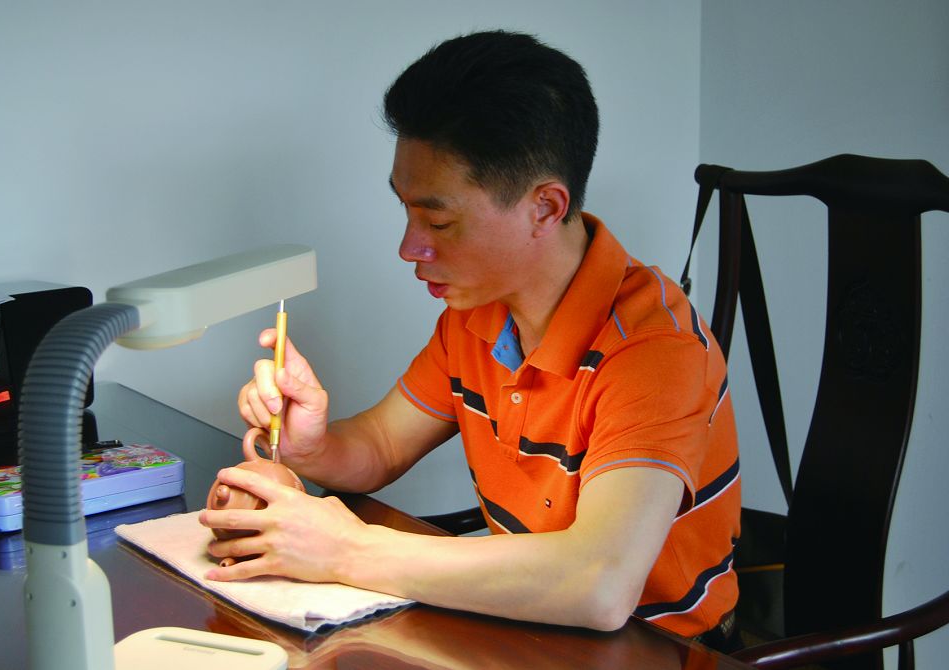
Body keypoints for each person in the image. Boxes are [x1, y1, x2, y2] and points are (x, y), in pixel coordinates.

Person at [199, 30, 740, 643]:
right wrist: (312, 445)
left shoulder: (654, 348)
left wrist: (345, 549)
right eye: (407, 211)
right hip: (528, 629)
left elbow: (599, 583)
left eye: (438, 220)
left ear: (545, 207)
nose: (410, 247)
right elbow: (381, 443)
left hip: (658, 650)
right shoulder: (478, 311)